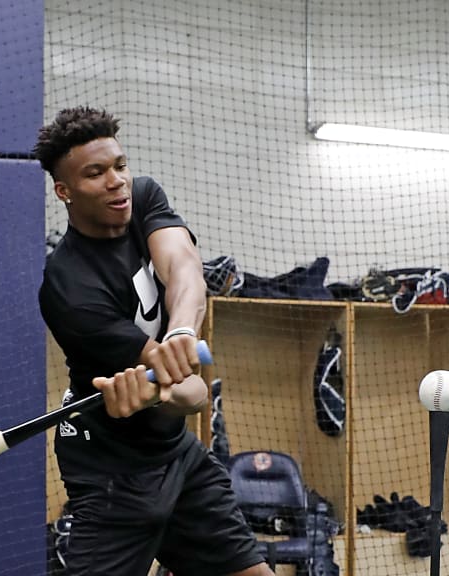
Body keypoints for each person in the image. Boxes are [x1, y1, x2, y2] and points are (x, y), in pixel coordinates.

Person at [35, 107, 273, 576]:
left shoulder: (143, 197)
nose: (116, 182)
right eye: (95, 173)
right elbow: (190, 395)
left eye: (119, 166)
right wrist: (164, 390)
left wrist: (182, 331)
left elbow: (183, 267)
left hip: (176, 457)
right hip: (111, 472)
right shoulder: (70, 289)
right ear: (64, 191)